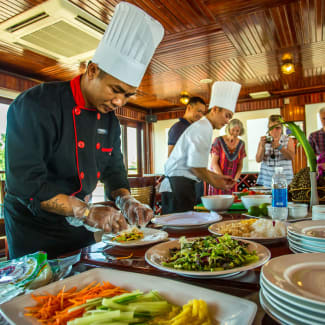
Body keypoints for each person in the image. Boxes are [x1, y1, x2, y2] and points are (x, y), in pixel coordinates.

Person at [4, 2, 164, 259]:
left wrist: (127, 201)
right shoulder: (36, 105)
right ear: (92, 71)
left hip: (77, 225)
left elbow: (114, 170)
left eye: (128, 95)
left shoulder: (110, 119)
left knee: (84, 275)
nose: (120, 102)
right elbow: (25, 185)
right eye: (115, 90)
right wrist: (85, 211)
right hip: (33, 228)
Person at [160, 81, 241, 214]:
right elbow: (195, 167)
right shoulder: (204, 127)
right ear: (215, 109)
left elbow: (197, 166)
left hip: (181, 184)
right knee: (179, 230)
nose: (227, 121)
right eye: (227, 116)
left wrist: (217, 177)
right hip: (179, 185)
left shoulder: (204, 126)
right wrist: (215, 183)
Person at [208, 119, 246, 195]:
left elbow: (240, 164)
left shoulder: (241, 144)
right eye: (233, 130)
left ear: (240, 131)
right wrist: (223, 179)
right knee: (217, 204)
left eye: (237, 131)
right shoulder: (218, 141)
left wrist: (235, 180)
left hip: (231, 181)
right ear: (228, 129)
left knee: (231, 203)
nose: (235, 133)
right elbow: (214, 163)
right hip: (218, 178)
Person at [256, 114, 295, 188]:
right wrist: (262, 146)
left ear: (282, 128)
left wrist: (280, 147)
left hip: (285, 180)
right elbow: (258, 159)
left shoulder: (288, 140)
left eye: (277, 128)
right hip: (268, 181)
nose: (274, 131)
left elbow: (291, 157)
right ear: (268, 128)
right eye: (271, 128)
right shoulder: (264, 140)